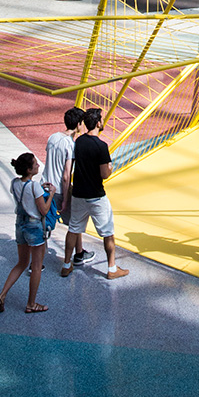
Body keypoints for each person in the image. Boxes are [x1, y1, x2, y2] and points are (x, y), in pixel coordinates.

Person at [60, 108, 129, 280]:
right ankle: (112, 268)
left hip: (78, 193)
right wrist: (110, 168)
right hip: (96, 195)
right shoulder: (101, 146)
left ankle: (66, 265)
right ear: (98, 123)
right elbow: (104, 174)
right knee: (107, 232)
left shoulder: (79, 142)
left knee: (73, 229)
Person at [0, 152, 55, 314]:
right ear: (29, 170)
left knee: (21, 263)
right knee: (36, 266)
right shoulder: (35, 186)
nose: (38, 165)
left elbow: (24, 195)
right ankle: (31, 304)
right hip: (34, 227)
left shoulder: (14, 183)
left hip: (20, 225)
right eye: (35, 164)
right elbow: (44, 210)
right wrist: (51, 194)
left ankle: (2, 295)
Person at [41, 106, 94, 266]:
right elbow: (66, 175)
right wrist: (65, 198)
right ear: (78, 124)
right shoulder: (70, 145)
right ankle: (78, 254)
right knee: (74, 223)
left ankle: (37, 259)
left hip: (44, 186)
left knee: (42, 222)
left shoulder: (53, 137)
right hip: (58, 189)